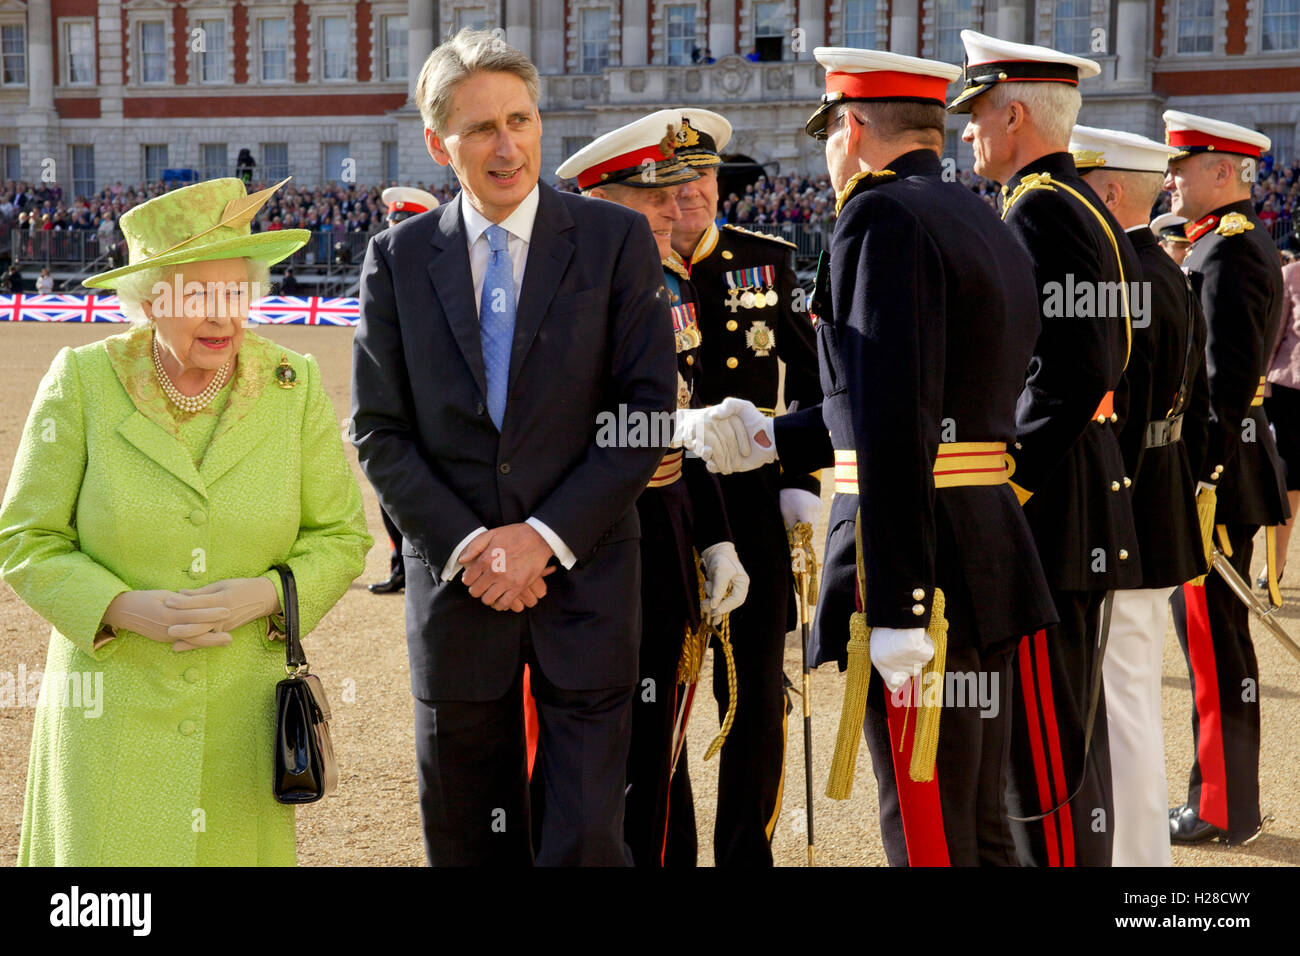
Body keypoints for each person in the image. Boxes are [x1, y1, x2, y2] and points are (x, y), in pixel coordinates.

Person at [682, 46, 1057, 865]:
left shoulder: (879, 217)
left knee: (930, 832)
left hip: (922, 566)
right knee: (983, 823)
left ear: (851, 128)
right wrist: (768, 438)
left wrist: (898, 607)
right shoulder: (975, 213)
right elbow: (902, 395)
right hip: (983, 542)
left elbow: (894, 419)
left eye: (829, 131)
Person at [350, 29, 677, 866]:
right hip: (460, 599)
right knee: (467, 840)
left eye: (521, 120)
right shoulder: (396, 259)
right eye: (482, 129)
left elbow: (643, 414)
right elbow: (379, 431)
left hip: (589, 586)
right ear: (437, 144)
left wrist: (543, 539)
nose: (508, 146)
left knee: (586, 841)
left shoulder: (614, 243)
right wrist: (471, 547)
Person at [0, 176, 372, 866]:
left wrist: (269, 595)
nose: (224, 317)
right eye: (197, 295)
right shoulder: (80, 380)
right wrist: (117, 607)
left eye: (237, 293)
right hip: (110, 712)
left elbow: (342, 537)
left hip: (243, 713)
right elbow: (26, 537)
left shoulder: (294, 384)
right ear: (149, 301)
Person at [951, 29, 1143, 867]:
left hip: (1052, 506)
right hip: (1081, 491)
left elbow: (1075, 367)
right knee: (1056, 734)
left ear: (1016, 115)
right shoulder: (1072, 201)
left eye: (975, 116)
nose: (965, 133)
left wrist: (1012, 480)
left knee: (1044, 751)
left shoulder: (1041, 208)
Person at [556, 111, 747, 867]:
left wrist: (714, 536)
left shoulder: (666, 280)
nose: (681, 207)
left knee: (661, 727)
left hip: (663, 519)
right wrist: (672, 432)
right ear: (605, 199)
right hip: (594, 530)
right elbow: (571, 430)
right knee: (596, 743)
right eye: (656, 194)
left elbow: (681, 410)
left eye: (680, 190)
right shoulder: (567, 290)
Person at [668, 108, 822, 865]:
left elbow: (818, 381)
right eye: (674, 180)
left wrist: (802, 482)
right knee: (659, 691)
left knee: (757, 696)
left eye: (701, 177)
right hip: (666, 497)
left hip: (751, 499)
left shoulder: (765, 260)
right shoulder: (628, 268)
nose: (689, 192)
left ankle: (745, 856)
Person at [1069, 125, 1209, 866]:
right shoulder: (1164, 266)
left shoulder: (1122, 273)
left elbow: (1113, 408)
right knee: (1130, 694)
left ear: (1111, 190)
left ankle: (1133, 861)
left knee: (1116, 700)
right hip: (1160, 499)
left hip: (1125, 506)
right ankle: (1141, 853)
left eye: (1083, 184)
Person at [1163, 111, 1288, 847]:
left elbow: (1223, 383)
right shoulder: (1220, 245)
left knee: (1213, 644)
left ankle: (1220, 805)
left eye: (1185, 167)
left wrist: (1198, 478)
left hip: (1218, 474)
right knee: (1218, 643)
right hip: (1228, 467)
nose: (1172, 180)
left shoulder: (1229, 253)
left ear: (1224, 173)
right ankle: (1226, 799)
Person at [366, 186, 442, 596]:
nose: (394, 231)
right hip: (394, 409)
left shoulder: (444, 271)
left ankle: (424, 565)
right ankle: (401, 565)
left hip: (431, 412)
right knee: (390, 494)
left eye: (403, 224)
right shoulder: (384, 267)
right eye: (392, 223)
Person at [1260, 255, 1300, 587]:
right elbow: (1274, 336)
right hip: (1293, 393)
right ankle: (1276, 561)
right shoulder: (1291, 274)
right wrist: (1264, 389)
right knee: (1290, 479)